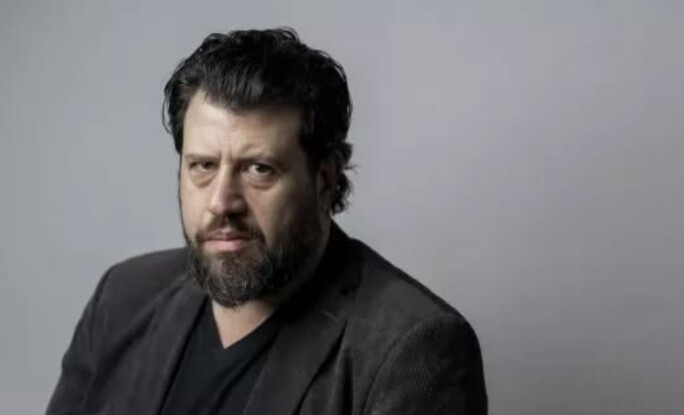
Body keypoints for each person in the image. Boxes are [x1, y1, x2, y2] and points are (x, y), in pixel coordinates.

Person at [46, 28, 487, 415]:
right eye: (203, 166)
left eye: (259, 169)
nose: (221, 202)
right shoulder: (122, 298)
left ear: (325, 180)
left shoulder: (413, 349)